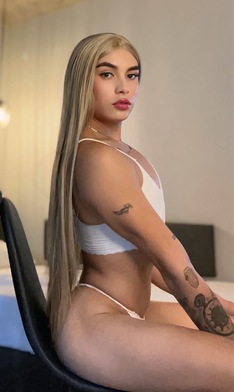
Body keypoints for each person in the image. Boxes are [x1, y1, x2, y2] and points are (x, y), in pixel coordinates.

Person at [47, 32, 234, 391]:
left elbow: (152, 261)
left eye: (132, 74)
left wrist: (222, 305)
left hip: (134, 310)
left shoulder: (126, 154)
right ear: (82, 81)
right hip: (97, 322)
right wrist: (226, 334)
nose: (124, 87)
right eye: (107, 74)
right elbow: (171, 260)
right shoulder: (97, 159)